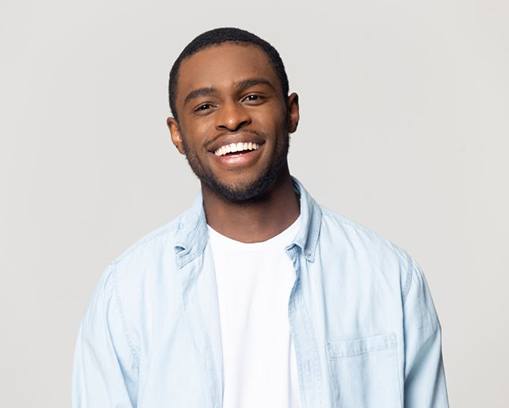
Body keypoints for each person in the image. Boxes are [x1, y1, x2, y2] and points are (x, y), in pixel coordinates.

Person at [71, 27, 449, 408]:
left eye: (252, 97)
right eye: (205, 106)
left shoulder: (387, 276)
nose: (232, 119)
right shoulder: (128, 292)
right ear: (177, 134)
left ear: (291, 112)